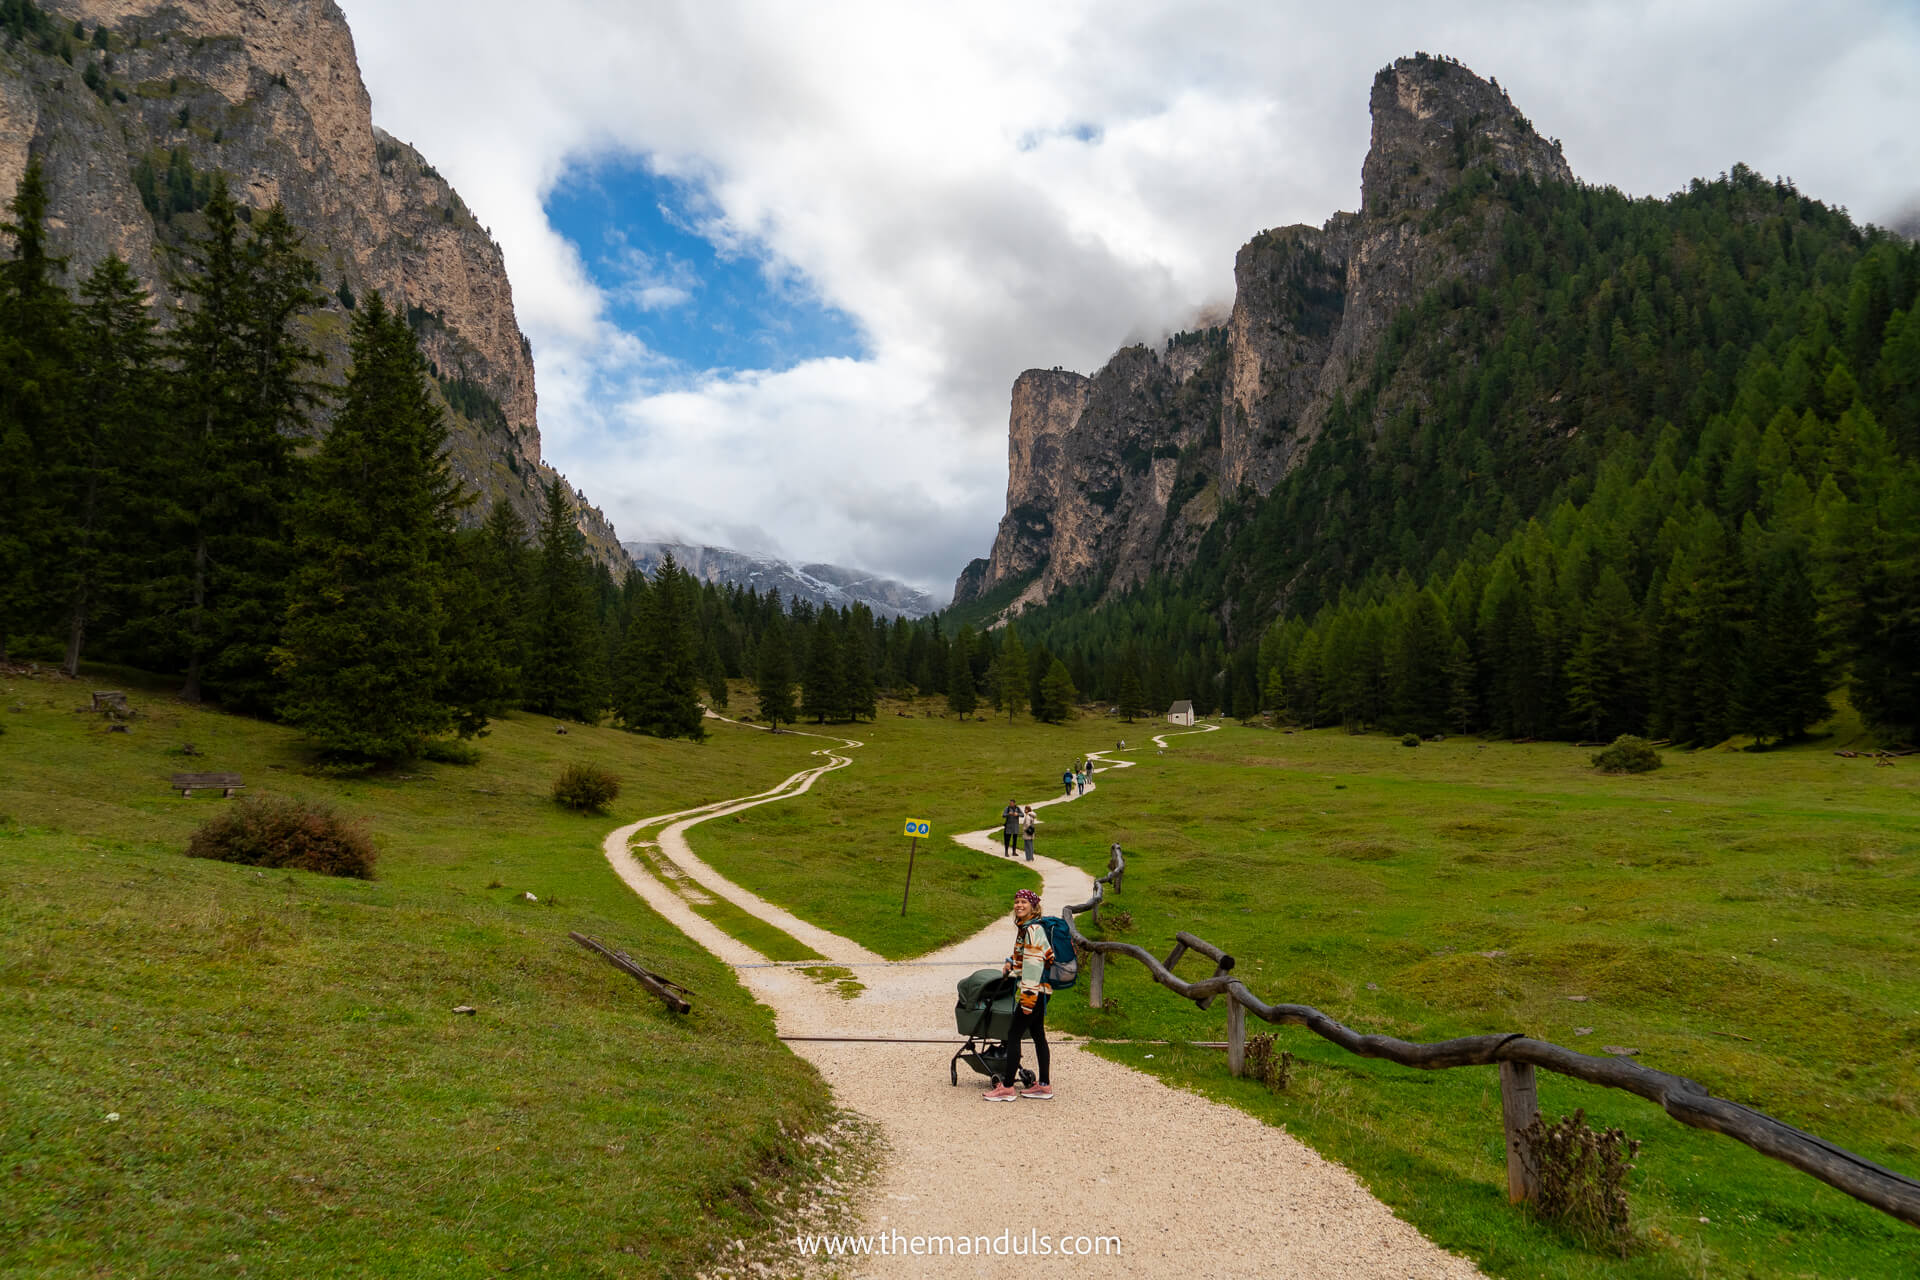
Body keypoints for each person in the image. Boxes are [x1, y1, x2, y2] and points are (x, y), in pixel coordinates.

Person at [983, 888, 1052, 1101]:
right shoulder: (1028, 928)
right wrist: (1011, 962)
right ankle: (1044, 1085)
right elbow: (1028, 956)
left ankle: (1007, 1088)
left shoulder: (1032, 930)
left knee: (1013, 1035)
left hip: (1034, 990)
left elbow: (1033, 965)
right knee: (1038, 1035)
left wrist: (1028, 999)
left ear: (1033, 906)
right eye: (1017, 902)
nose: (1019, 905)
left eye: (1024, 902)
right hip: (1042, 990)